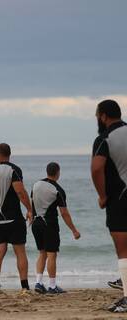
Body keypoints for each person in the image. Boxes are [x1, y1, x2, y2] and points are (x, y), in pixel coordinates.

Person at [91, 99, 127, 312]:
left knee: (124, 250)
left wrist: (102, 195)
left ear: (103, 116)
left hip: (120, 198)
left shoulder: (104, 138)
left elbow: (96, 169)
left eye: (98, 115)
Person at [0, 143, 32, 294]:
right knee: (20, 251)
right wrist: (30, 209)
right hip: (13, 218)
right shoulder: (14, 170)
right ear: (9, 154)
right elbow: (20, 192)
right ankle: (24, 287)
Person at [31, 162, 80, 294]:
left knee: (42, 253)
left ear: (47, 171)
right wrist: (74, 230)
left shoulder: (36, 185)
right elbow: (64, 213)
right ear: (58, 173)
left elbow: (32, 205)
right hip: (49, 224)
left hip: (35, 224)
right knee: (51, 254)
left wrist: (30, 216)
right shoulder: (58, 190)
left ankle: (38, 283)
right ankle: (52, 286)